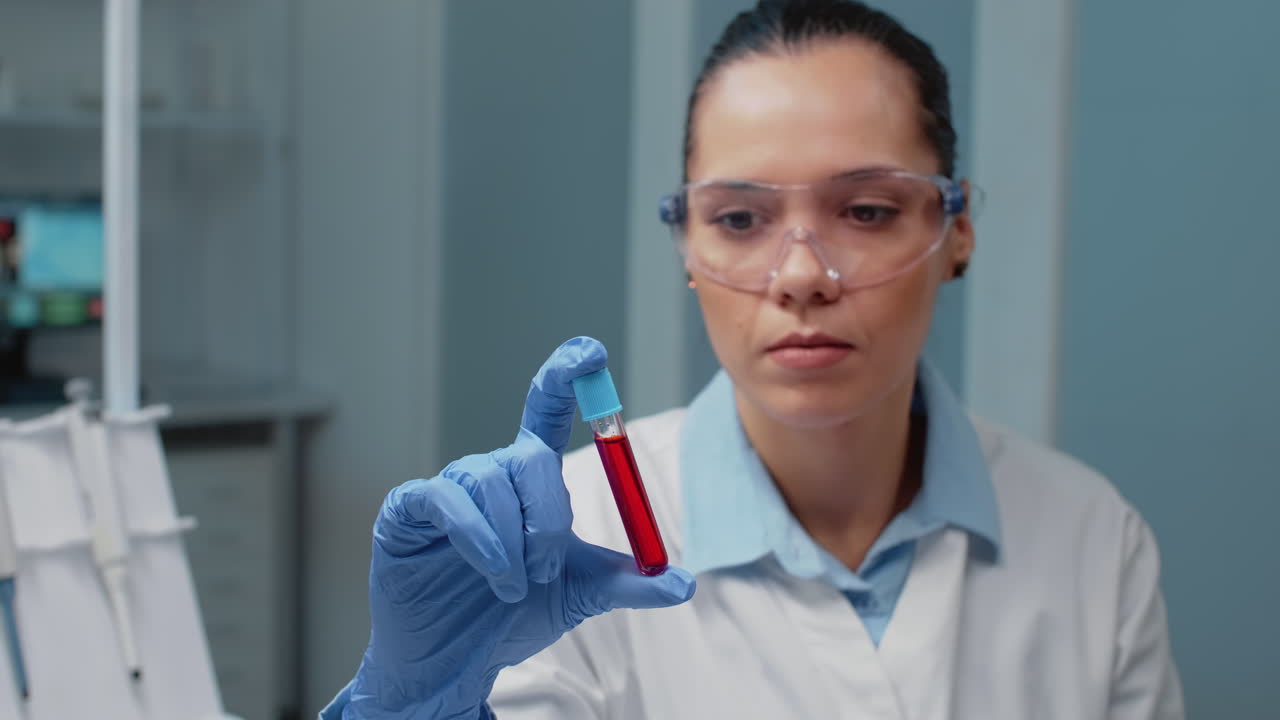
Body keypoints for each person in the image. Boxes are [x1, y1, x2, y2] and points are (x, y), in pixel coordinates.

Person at [321, 1, 1184, 718]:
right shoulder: (568, 542)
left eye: (870, 210)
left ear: (955, 233)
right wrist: (414, 703)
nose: (803, 275)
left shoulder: (1092, 541)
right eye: (739, 220)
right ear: (688, 249)